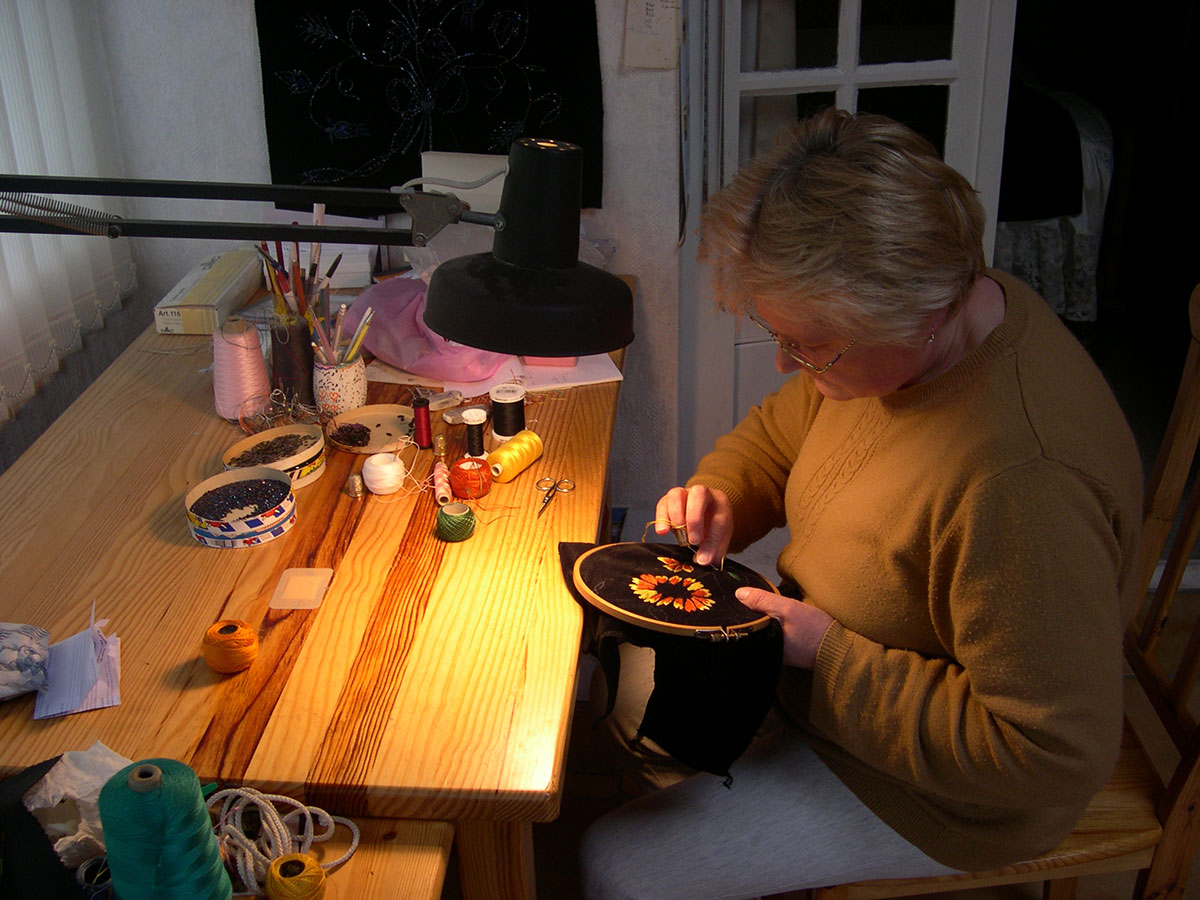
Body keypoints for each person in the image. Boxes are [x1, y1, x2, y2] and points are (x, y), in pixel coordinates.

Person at [578, 107, 1144, 899]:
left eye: (811, 345)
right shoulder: (937, 318)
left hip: (944, 795)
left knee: (619, 866)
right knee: (617, 694)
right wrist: (725, 494)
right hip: (822, 684)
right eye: (780, 334)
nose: (787, 363)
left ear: (915, 315)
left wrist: (830, 659)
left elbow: (1044, 753)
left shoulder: (1023, 485)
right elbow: (784, 430)